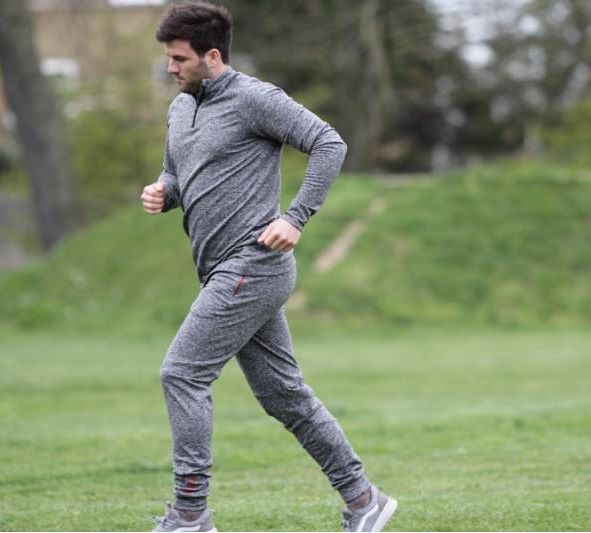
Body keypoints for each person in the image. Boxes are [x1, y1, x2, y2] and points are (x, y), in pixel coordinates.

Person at [140, 3, 397, 532]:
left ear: (212, 56)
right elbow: (178, 171)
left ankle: (190, 515)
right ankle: (363, 500)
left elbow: (329, 143)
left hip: (253, 265)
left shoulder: (255, 99)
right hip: (221, 272)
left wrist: (297, 217)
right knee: (285, 396)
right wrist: (164, 191)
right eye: (168, 58)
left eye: (179, 59)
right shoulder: (180, 108)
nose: (171, 69)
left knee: (182, 373)